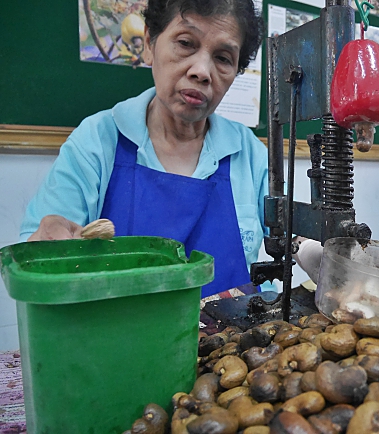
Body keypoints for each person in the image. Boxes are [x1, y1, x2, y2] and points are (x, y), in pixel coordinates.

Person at [20, 0, 268, 300]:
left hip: (233, 343)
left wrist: (314, 249)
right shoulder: (98, 141)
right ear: (150, 43)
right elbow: (35, 260)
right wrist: (46, 246)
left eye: (223, 58)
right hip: (122, 337)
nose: (202, 71)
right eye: (186, 43)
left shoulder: (251, 155)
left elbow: (286, 252)